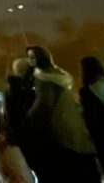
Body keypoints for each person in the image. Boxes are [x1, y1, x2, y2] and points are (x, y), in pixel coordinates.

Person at [23, 45, 99, 183]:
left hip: (57, 126)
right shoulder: (58, 75)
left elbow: (44, 103)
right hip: (72, 123)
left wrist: (28, 118)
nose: (30, 60)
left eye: (32, 57)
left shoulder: (42, 77)